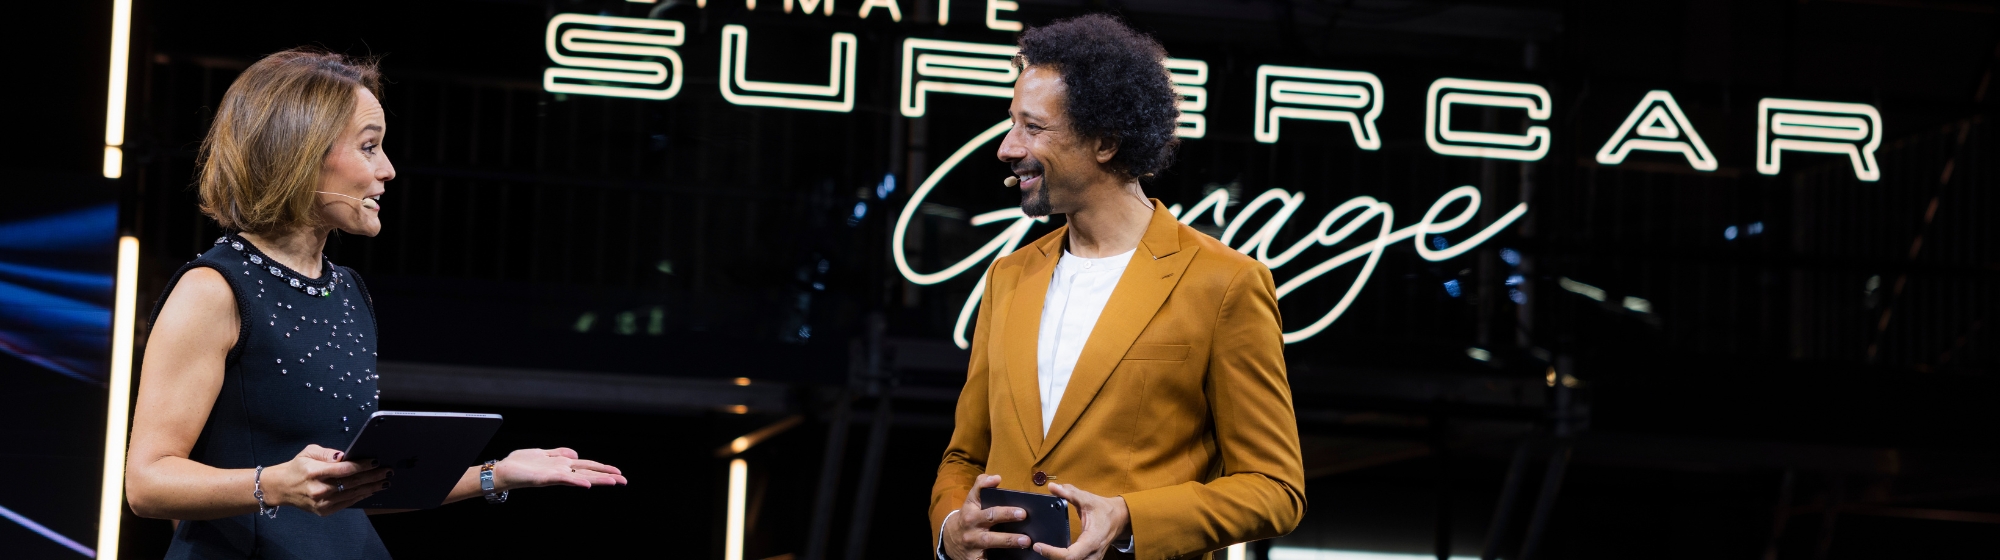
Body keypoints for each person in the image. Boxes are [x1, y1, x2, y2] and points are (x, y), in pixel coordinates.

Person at [123, 49, 628, 559]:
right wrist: (275, 484)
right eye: (369, 148)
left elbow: (355, 489)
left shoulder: (348, 291)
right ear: (299, 153)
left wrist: (496, 474)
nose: (387, 170)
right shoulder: (214, 289)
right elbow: (147, 482)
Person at [929, 14, 1306, 560]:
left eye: (1032, 128)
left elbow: (1276, 490)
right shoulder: (1007, 277)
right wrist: (949, 529)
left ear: (1104, 141)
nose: (1008, 148)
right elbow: (964, 457)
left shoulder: (1224, 284)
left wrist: (1131, 519)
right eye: (1012, 124)